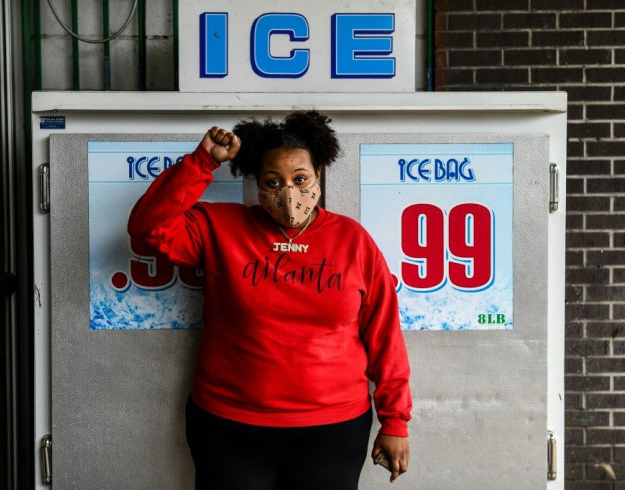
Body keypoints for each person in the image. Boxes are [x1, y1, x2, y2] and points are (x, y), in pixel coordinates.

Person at [128, 111, 412, 489]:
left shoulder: (353, 240)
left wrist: (394, 421)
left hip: (333, 429)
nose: (289, 193)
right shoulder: (219, 227)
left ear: (319, 175)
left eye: (300, 179)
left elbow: (385, 336)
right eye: (273, 182)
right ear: (257, 183)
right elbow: (148, 231)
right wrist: (201, 163)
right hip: (229, 426)